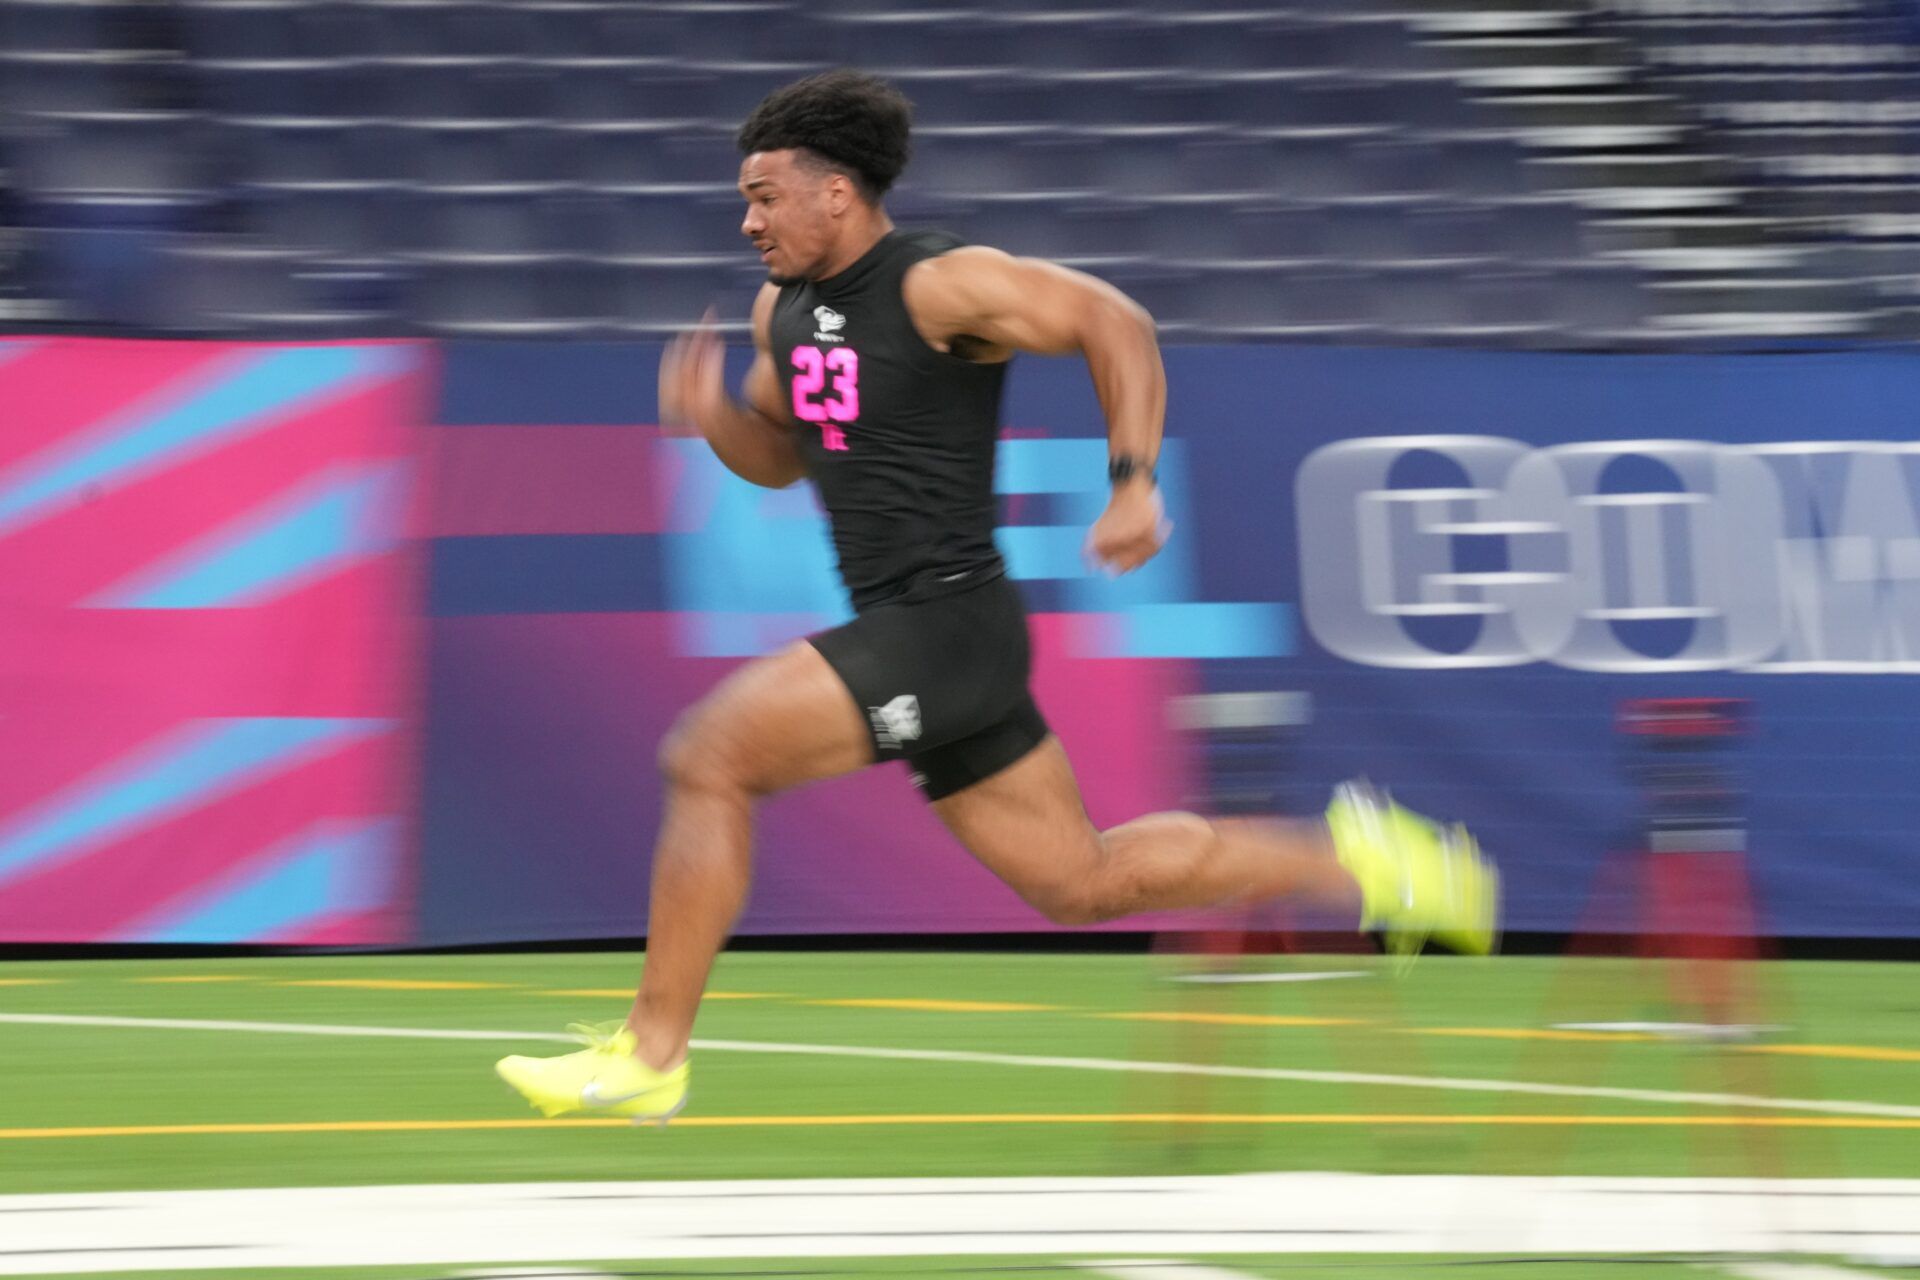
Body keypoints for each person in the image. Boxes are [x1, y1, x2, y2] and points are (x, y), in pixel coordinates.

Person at [496, 70, 1497, 1124]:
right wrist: (712, 414)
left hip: (943, 624)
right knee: (1083, 881)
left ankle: (654, 1050)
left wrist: (1133, 482)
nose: (748, 221)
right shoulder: (781, 309)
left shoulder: (940, 283)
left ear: (836, 192)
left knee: (709, 754)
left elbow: (1117, 322)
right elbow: (785, 459)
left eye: (764, 195)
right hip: (929, 633)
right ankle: (1369, 856)